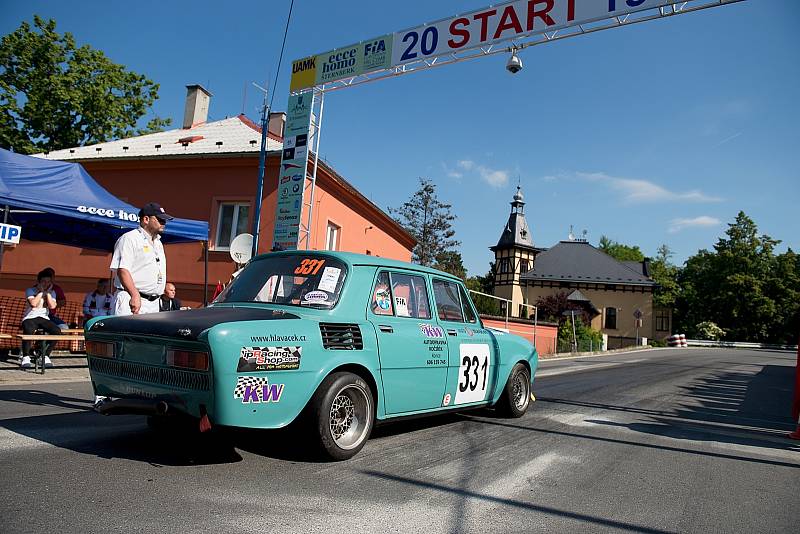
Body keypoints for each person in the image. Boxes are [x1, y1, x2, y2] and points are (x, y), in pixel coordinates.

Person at [109, 202, 173, 316]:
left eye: (164, 220)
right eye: (160, 219)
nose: (164, 223)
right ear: (146, 219)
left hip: (153, 303)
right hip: (131, 299)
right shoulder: (129, 239)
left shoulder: (158, 243)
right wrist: (134, 295)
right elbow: (123, 270)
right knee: (126, 333)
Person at [20, 269, 62, 369]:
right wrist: (41, 292)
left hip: (43, 318)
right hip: (30, 317)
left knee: (56, 331)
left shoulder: (52, 293)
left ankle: (45, 355)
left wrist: (47, 293)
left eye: (48, 282)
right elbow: (33, 304)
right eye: (43, 281)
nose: (46, 284)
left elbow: (52, 306)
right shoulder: (30, 290)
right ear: (38, 282)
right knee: (28, 330)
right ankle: (25, 357)